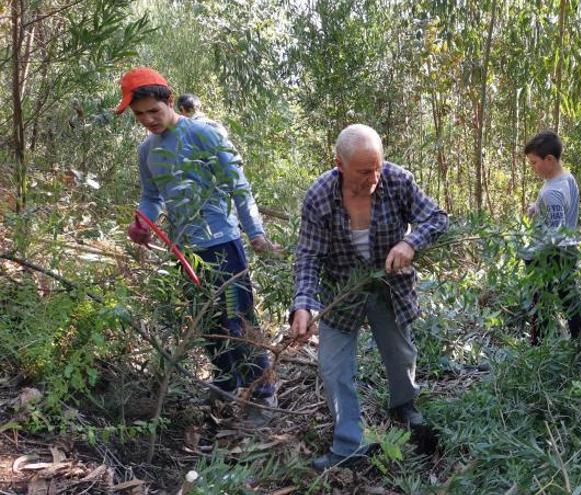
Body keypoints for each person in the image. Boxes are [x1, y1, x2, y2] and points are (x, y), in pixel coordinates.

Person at [118, 67, 279, 424]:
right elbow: (150, 196)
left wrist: (256, 233)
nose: (147, 120)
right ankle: (224, 385)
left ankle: (262, 395)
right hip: (184, 252)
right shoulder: (147, 151)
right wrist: (142, 223)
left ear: (169, 102)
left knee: (238, 319)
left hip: (222, 245)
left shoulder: (204, 134)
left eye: (153, 112)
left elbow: (239, 184)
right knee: (206, 320)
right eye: (139, 114)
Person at [288, 124, 448, 471]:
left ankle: (404, 406)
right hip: (341, 290)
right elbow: (308, 256)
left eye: (377, 167)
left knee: (401, 353)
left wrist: (410, 242)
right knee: (334, 368)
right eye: (364, 171)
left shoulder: (397, 180)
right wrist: (303, 303)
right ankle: (349, 445)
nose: (374, 177)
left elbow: (436, 218)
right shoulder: (319, 195)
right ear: (339, 165)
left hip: (389, 285)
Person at [522, 130, 581, 345]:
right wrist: (536, 208)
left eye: (534, 163)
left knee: (539, 302)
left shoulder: (552, 192)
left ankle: (538, 348)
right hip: (568, 249)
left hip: (552, 254)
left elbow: (554, 231)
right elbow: (559, 211)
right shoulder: (565, 178)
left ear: (549, 159)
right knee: (569, 298)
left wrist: (532, 256)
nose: (532, 168)